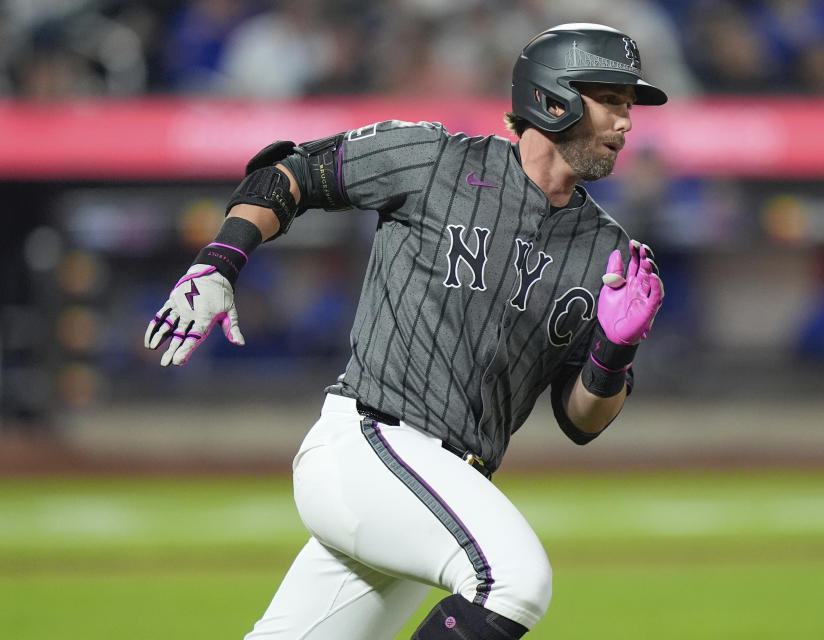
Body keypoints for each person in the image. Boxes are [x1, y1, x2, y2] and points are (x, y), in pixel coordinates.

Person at [145, 22, 666, 640]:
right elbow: (290, 173)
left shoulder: (604, 248)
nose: (626, 123)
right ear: (553, 98)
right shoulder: (434, 157)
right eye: (611, 100)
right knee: (513, 580)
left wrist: (614, 351)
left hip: (438, 486)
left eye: (628, 106)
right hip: (368, 444)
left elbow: (581, 421)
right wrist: (220, 261)